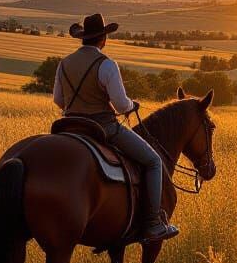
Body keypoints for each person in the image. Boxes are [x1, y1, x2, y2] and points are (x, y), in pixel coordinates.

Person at [53, 13, 177, 243]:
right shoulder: (106, 64)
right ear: (103, 39)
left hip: (69, 127)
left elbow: (59, 101)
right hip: (102, 127)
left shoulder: (64, 64)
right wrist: (132, 105)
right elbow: (121, 104)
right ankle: (152, 223)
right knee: (153, 161)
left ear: (82, 39)